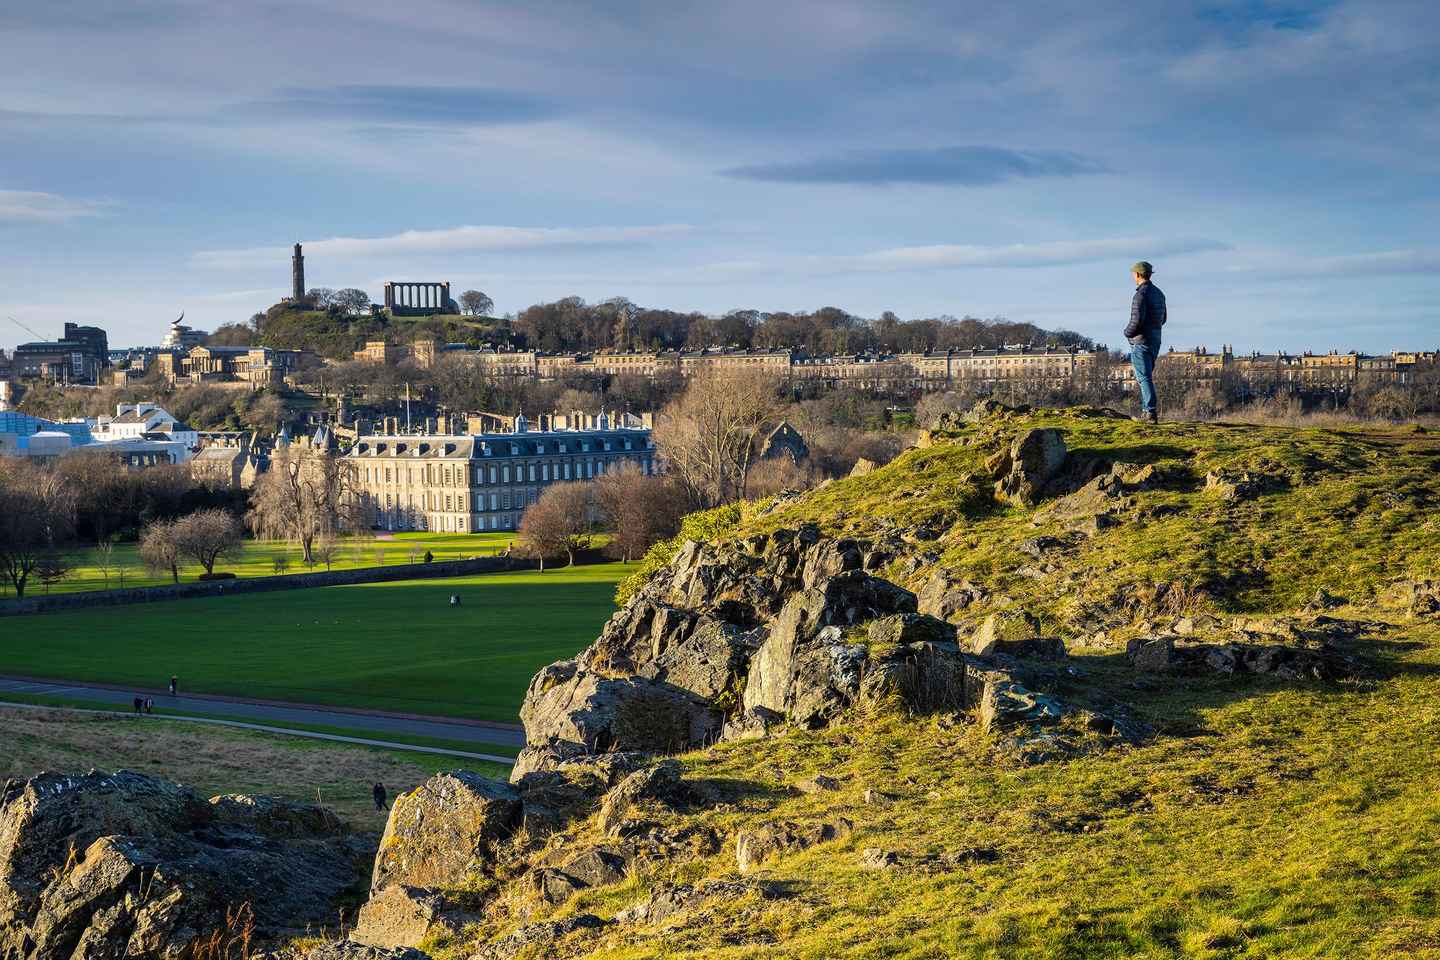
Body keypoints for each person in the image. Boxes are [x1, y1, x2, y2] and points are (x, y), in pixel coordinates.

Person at [1125, 260, 1167, 424]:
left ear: (1137, 274)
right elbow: (1163, 319)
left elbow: (1136, 321)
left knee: (1144, 378)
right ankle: (1146, 411)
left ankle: (1150, 412)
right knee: (1147, 377)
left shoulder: (1140, 295)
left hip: (1141, 341)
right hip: (1155, 339)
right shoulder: (1159, 293)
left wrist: (1127, 333)